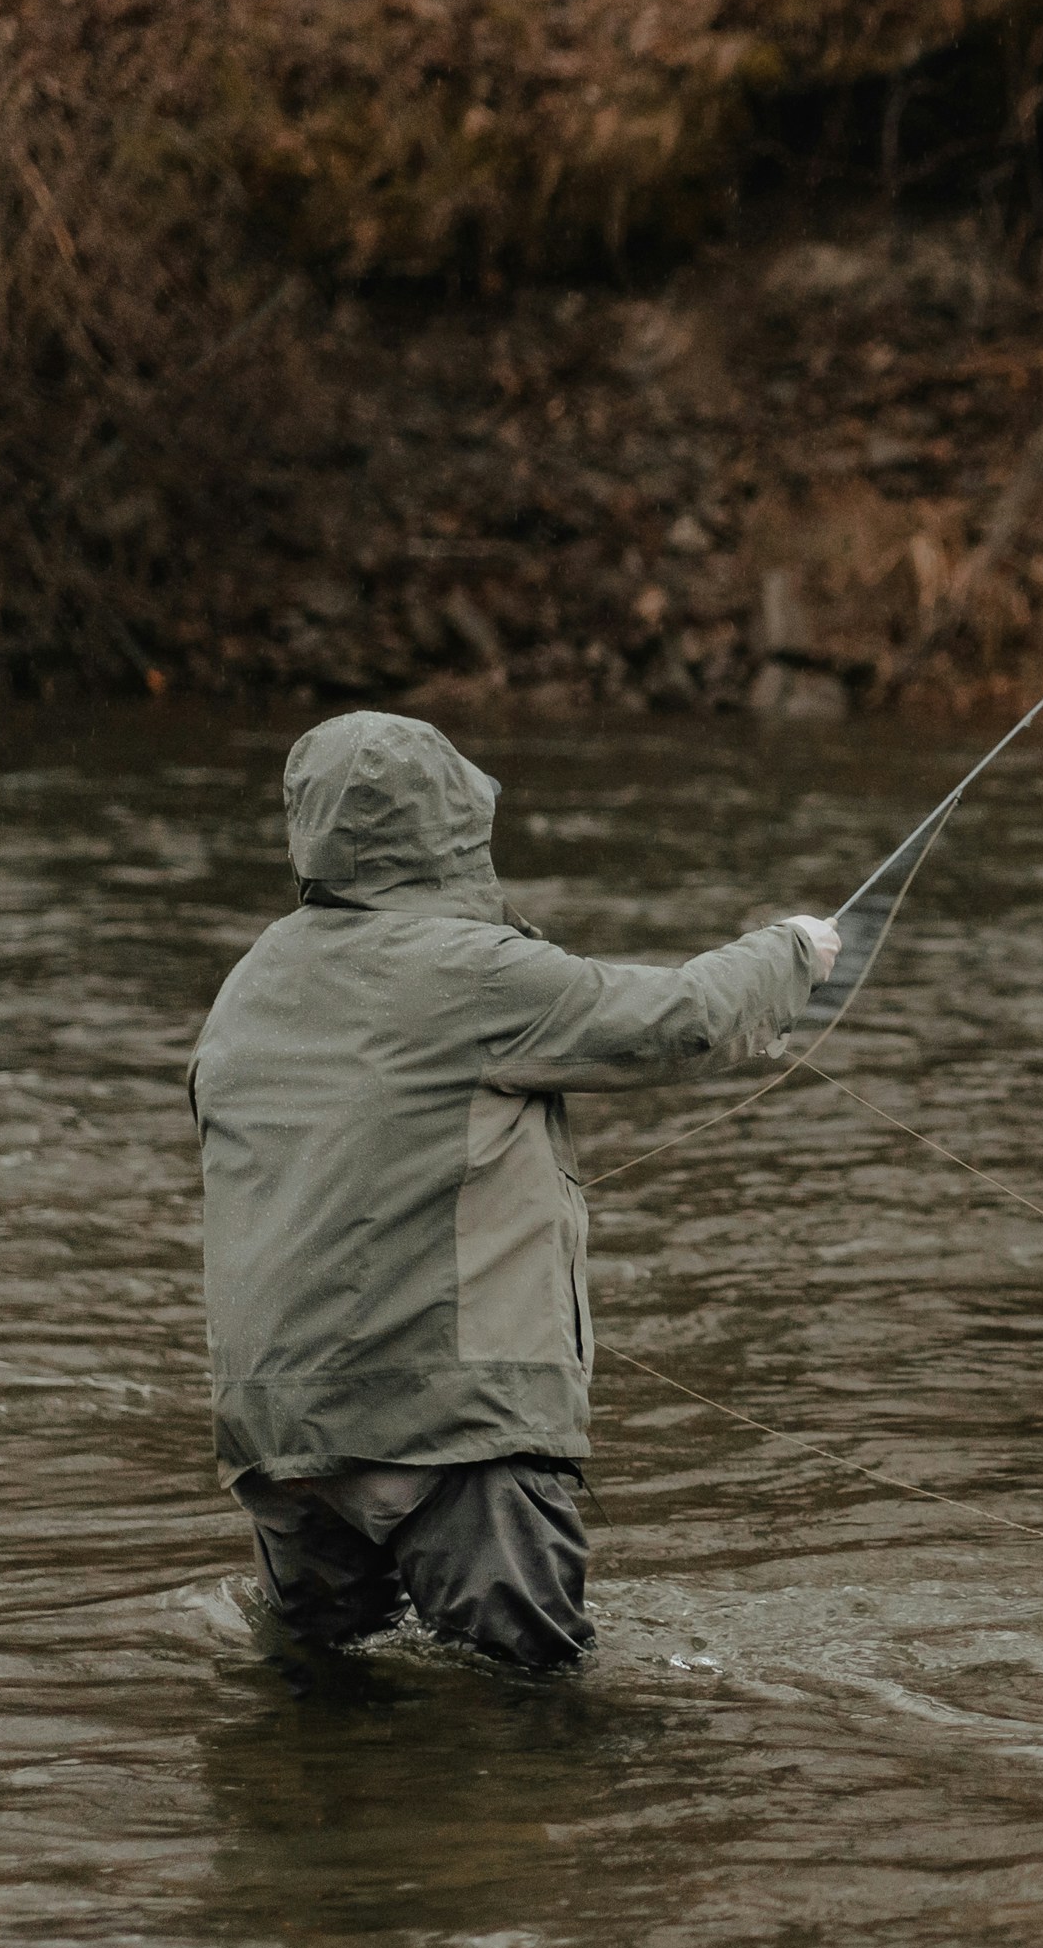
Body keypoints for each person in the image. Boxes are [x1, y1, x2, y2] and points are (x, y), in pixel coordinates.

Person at [189, 711, 839, 1672]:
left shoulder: (252, 979)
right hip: (450, 1432)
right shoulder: (471, 970)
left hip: (276, 1438)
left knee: (321, 1696)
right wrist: (793, 954)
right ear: (452, 827)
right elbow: (681, 1021)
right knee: (529, 1706)